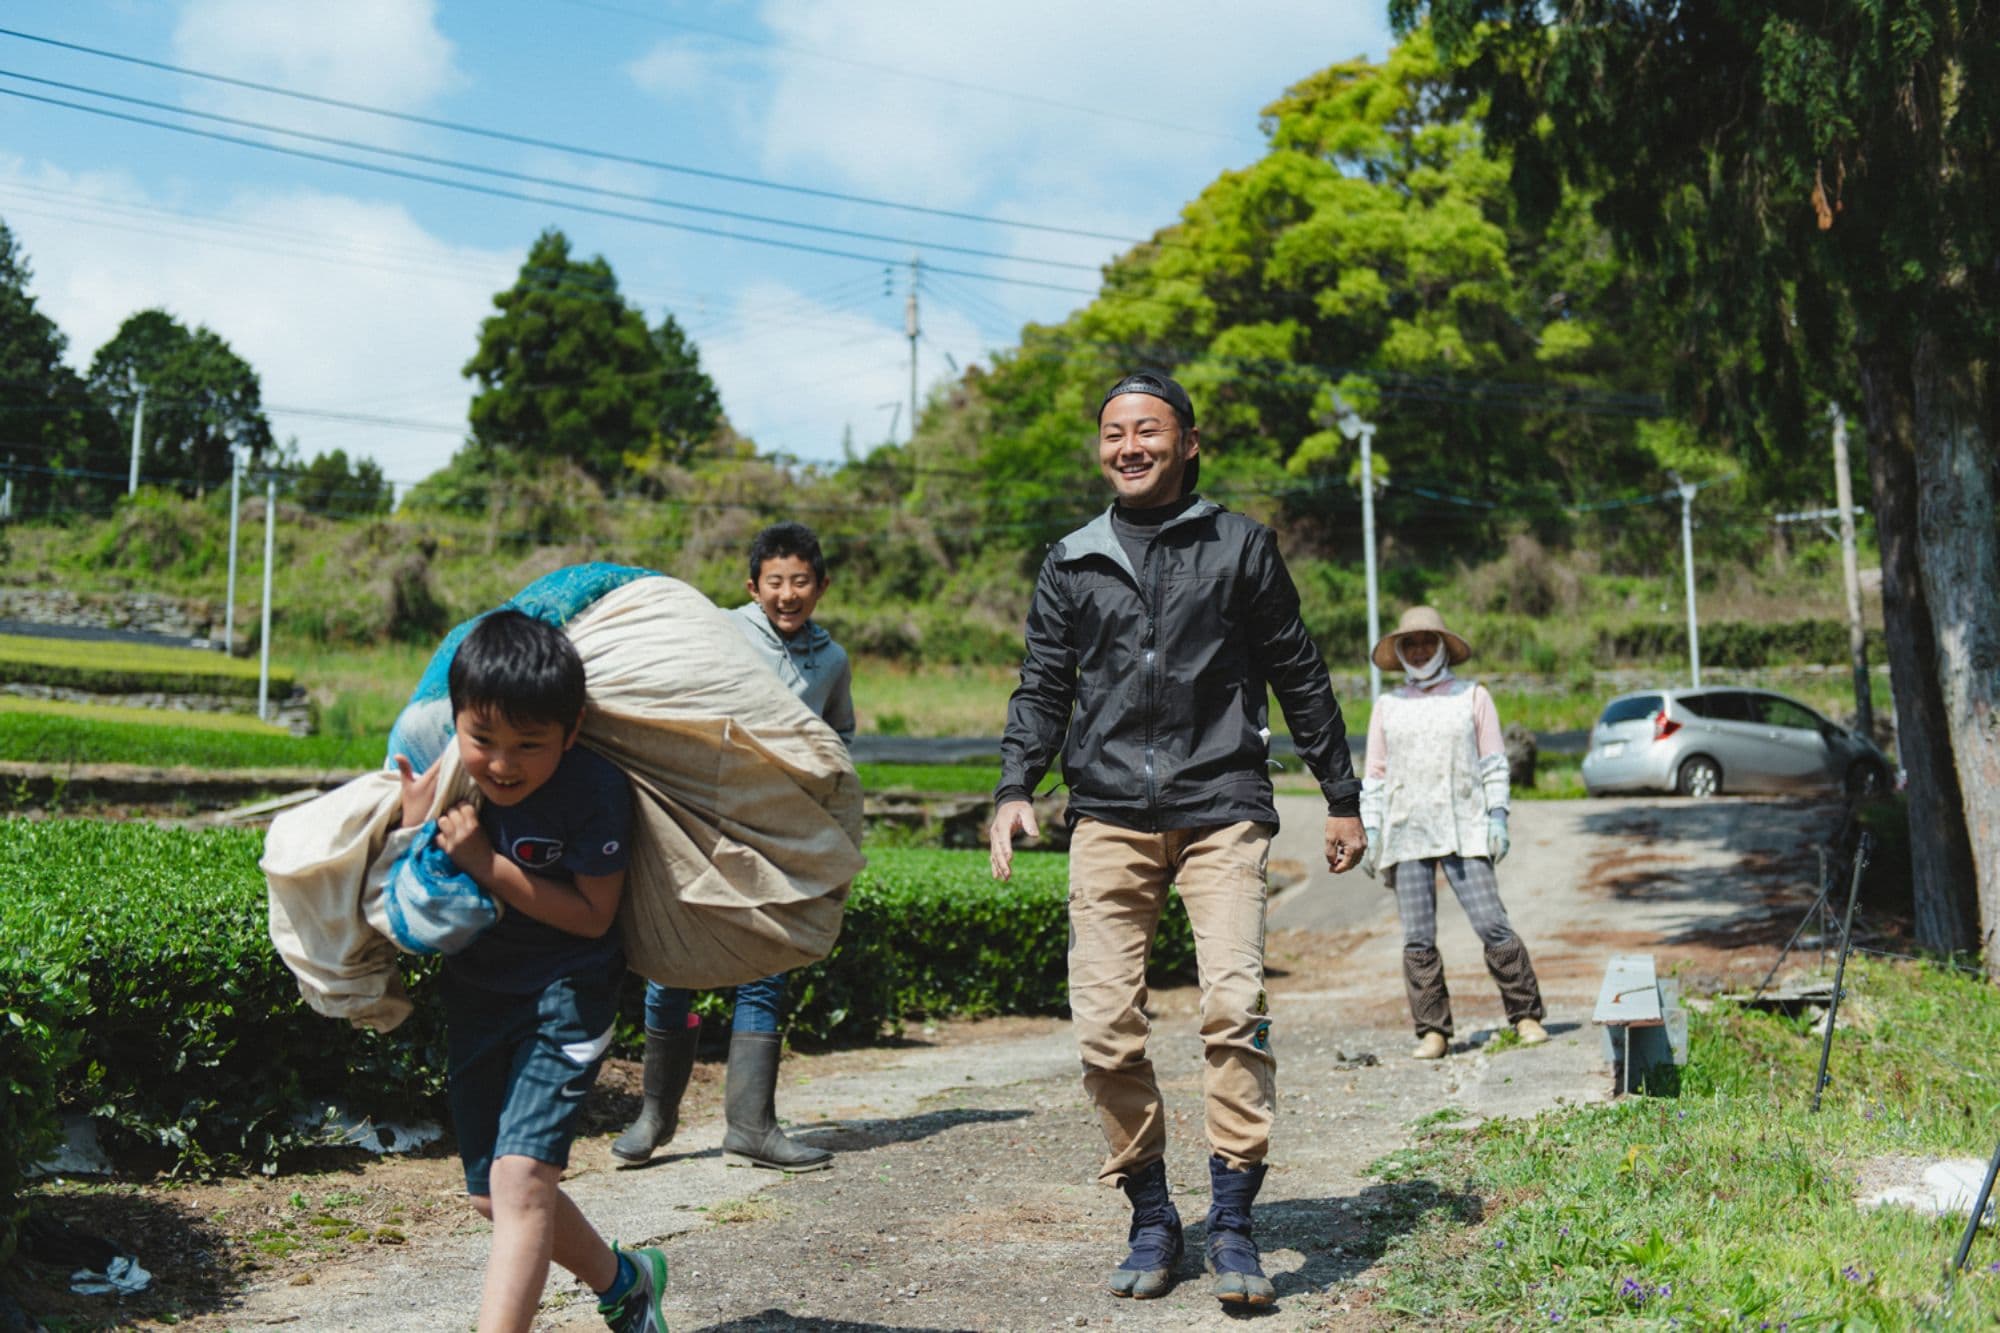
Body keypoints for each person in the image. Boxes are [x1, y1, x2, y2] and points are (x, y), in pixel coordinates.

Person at [988, 370, 1367, 1308]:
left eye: (1148, 430)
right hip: (1108, 814)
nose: (1130, 446)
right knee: (1104, 1028)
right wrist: (1014, 785)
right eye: (1114, 432)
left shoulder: (1240, 546)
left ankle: (1233, 1219)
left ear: (1188, 442)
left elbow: (1298, 670)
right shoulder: (1072, 559)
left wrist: (1342, 794)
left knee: (1233, 1005)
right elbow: (1043, 683)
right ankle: (1153, 1213)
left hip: (1221, 805)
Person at [391, 608, 667, 1333]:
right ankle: (627, 1283)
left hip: (566, 997)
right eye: (482, 739)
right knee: (495, 1194)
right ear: (456, 720)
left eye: (529, 744)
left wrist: (486, 863)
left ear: (572, 732)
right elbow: (396, 890)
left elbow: (593, 916)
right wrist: (410, 824)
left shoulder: (594, 790)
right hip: (477, 994)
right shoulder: (447, 776)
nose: (503, 764)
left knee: (520, 1181)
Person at [612, 521, 852, 1172]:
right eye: (775, 581)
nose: (787, 593)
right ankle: (654, 1116)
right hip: (697, 823)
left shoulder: (831, 660)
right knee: (672, 963)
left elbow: (839, 737)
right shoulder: (717, 632)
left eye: (800, 581)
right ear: (752, 586)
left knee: (764, 967)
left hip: (773, 833)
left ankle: (751, 1126)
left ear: (822, 586)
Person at [1357, 605, 1548, 1060]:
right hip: (1406, 830)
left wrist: (1497, 815)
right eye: (1410, 644)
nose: (1420, 650)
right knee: (1418, 935)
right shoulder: (1388, 706)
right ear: (1400, 652)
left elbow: (1493, 762)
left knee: (1491, 923)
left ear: (1443, 647)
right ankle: (1433, 1031)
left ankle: (1525, 1016)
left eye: (1428, 642)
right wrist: (1372, 827)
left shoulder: (1472, 697)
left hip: (1464, 823)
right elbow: (1376, 774)